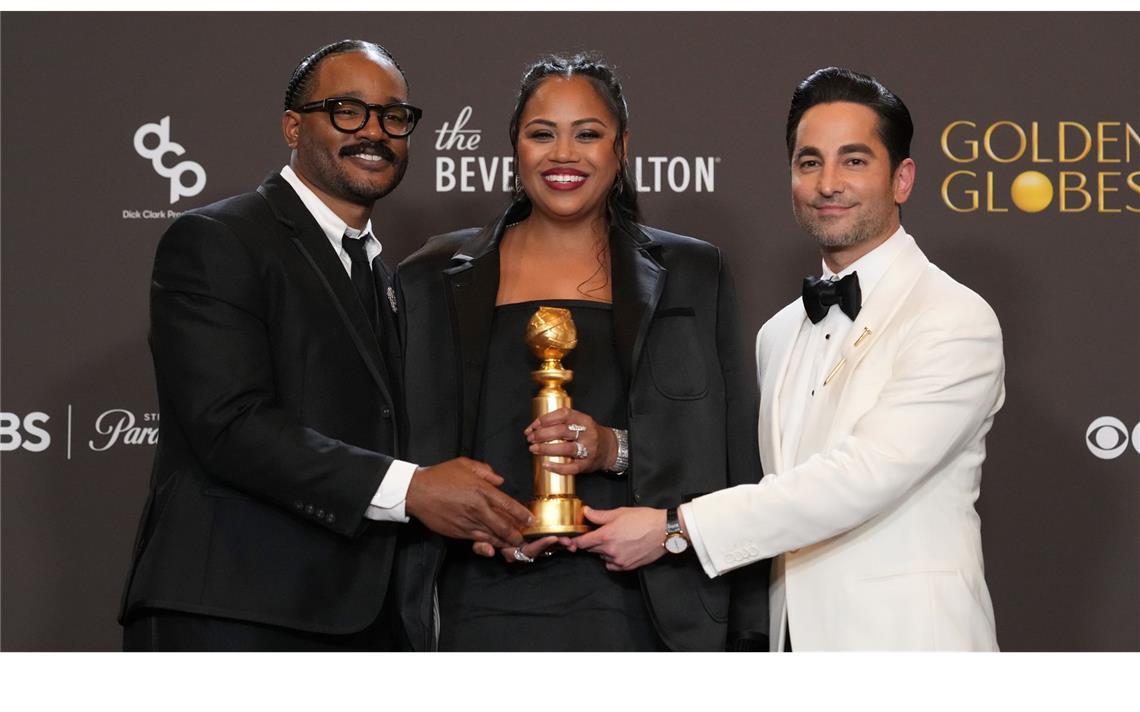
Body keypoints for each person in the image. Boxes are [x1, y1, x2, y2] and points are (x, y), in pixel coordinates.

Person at [118, 39, 532, 651]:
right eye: (347, 110)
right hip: (233, 612)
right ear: (293, 125)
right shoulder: (218, 239)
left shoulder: (385, 275)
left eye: (394, 117)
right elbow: (228, 424)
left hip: (358, 616)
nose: (375, 132)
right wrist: (413, 489)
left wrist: (484, 511)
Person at [580, 67, 1005, 652]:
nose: (828, 183)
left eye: (854, 161)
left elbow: (861, 477)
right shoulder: (777, 333)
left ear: (902, 178)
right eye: (810, 162)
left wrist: (676, 529)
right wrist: (615, 449)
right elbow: (734, 463)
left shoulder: (954, 317)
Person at [395, 54, 768, 651]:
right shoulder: (432, 276)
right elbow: (411, 458)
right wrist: (482, 527)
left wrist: (611, 448)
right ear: (514, 147)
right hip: (481, 601)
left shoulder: (693, 272)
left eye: (587, 134)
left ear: (621, 150)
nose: (563, 154)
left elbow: (726, 452)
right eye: (542, 134)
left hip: (648, 602)